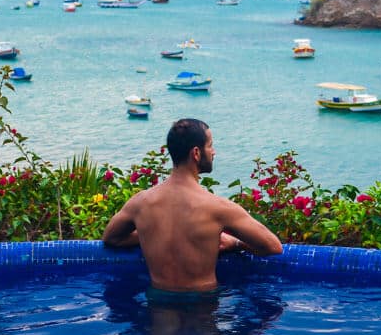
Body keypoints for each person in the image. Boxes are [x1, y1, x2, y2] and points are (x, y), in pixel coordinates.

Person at [102, 118, 283, 293]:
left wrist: (149, 232)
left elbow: (112, 238)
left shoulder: (140, 203)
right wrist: (235, 244)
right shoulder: (218, 208)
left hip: (159, 307)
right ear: (196, 153)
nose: (214, 152)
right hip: (202, 308)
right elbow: (273, 247)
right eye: (210, 145)